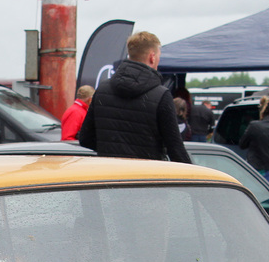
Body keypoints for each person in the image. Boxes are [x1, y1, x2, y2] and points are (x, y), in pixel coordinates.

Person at [77, 31, 191, 163]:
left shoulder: (102, 90)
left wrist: (112, 150)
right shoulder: (161, 95)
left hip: (108, 173)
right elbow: (176, 149)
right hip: (145, 176)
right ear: (152, 57)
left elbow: (85, 138)